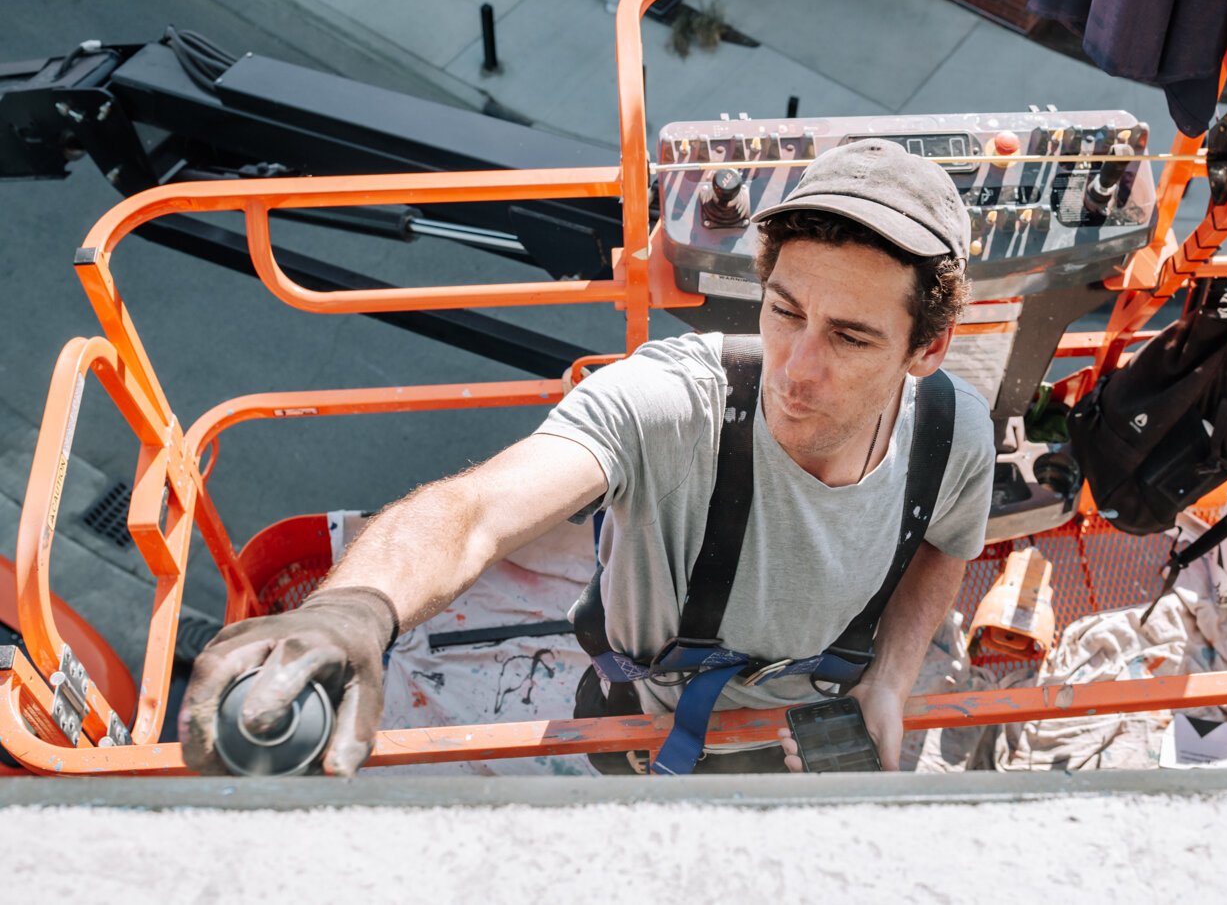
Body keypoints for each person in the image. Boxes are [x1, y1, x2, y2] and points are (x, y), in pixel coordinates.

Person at [179, 138, 997, 776]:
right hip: (642, 726)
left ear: (926, 348)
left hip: (796, 731)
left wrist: (887, 682)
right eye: (785, 312)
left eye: (851, 337)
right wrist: (353, 607)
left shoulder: (949, 435)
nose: (797, 369)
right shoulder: (675, 404)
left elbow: (946, 544)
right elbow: (474, 513)